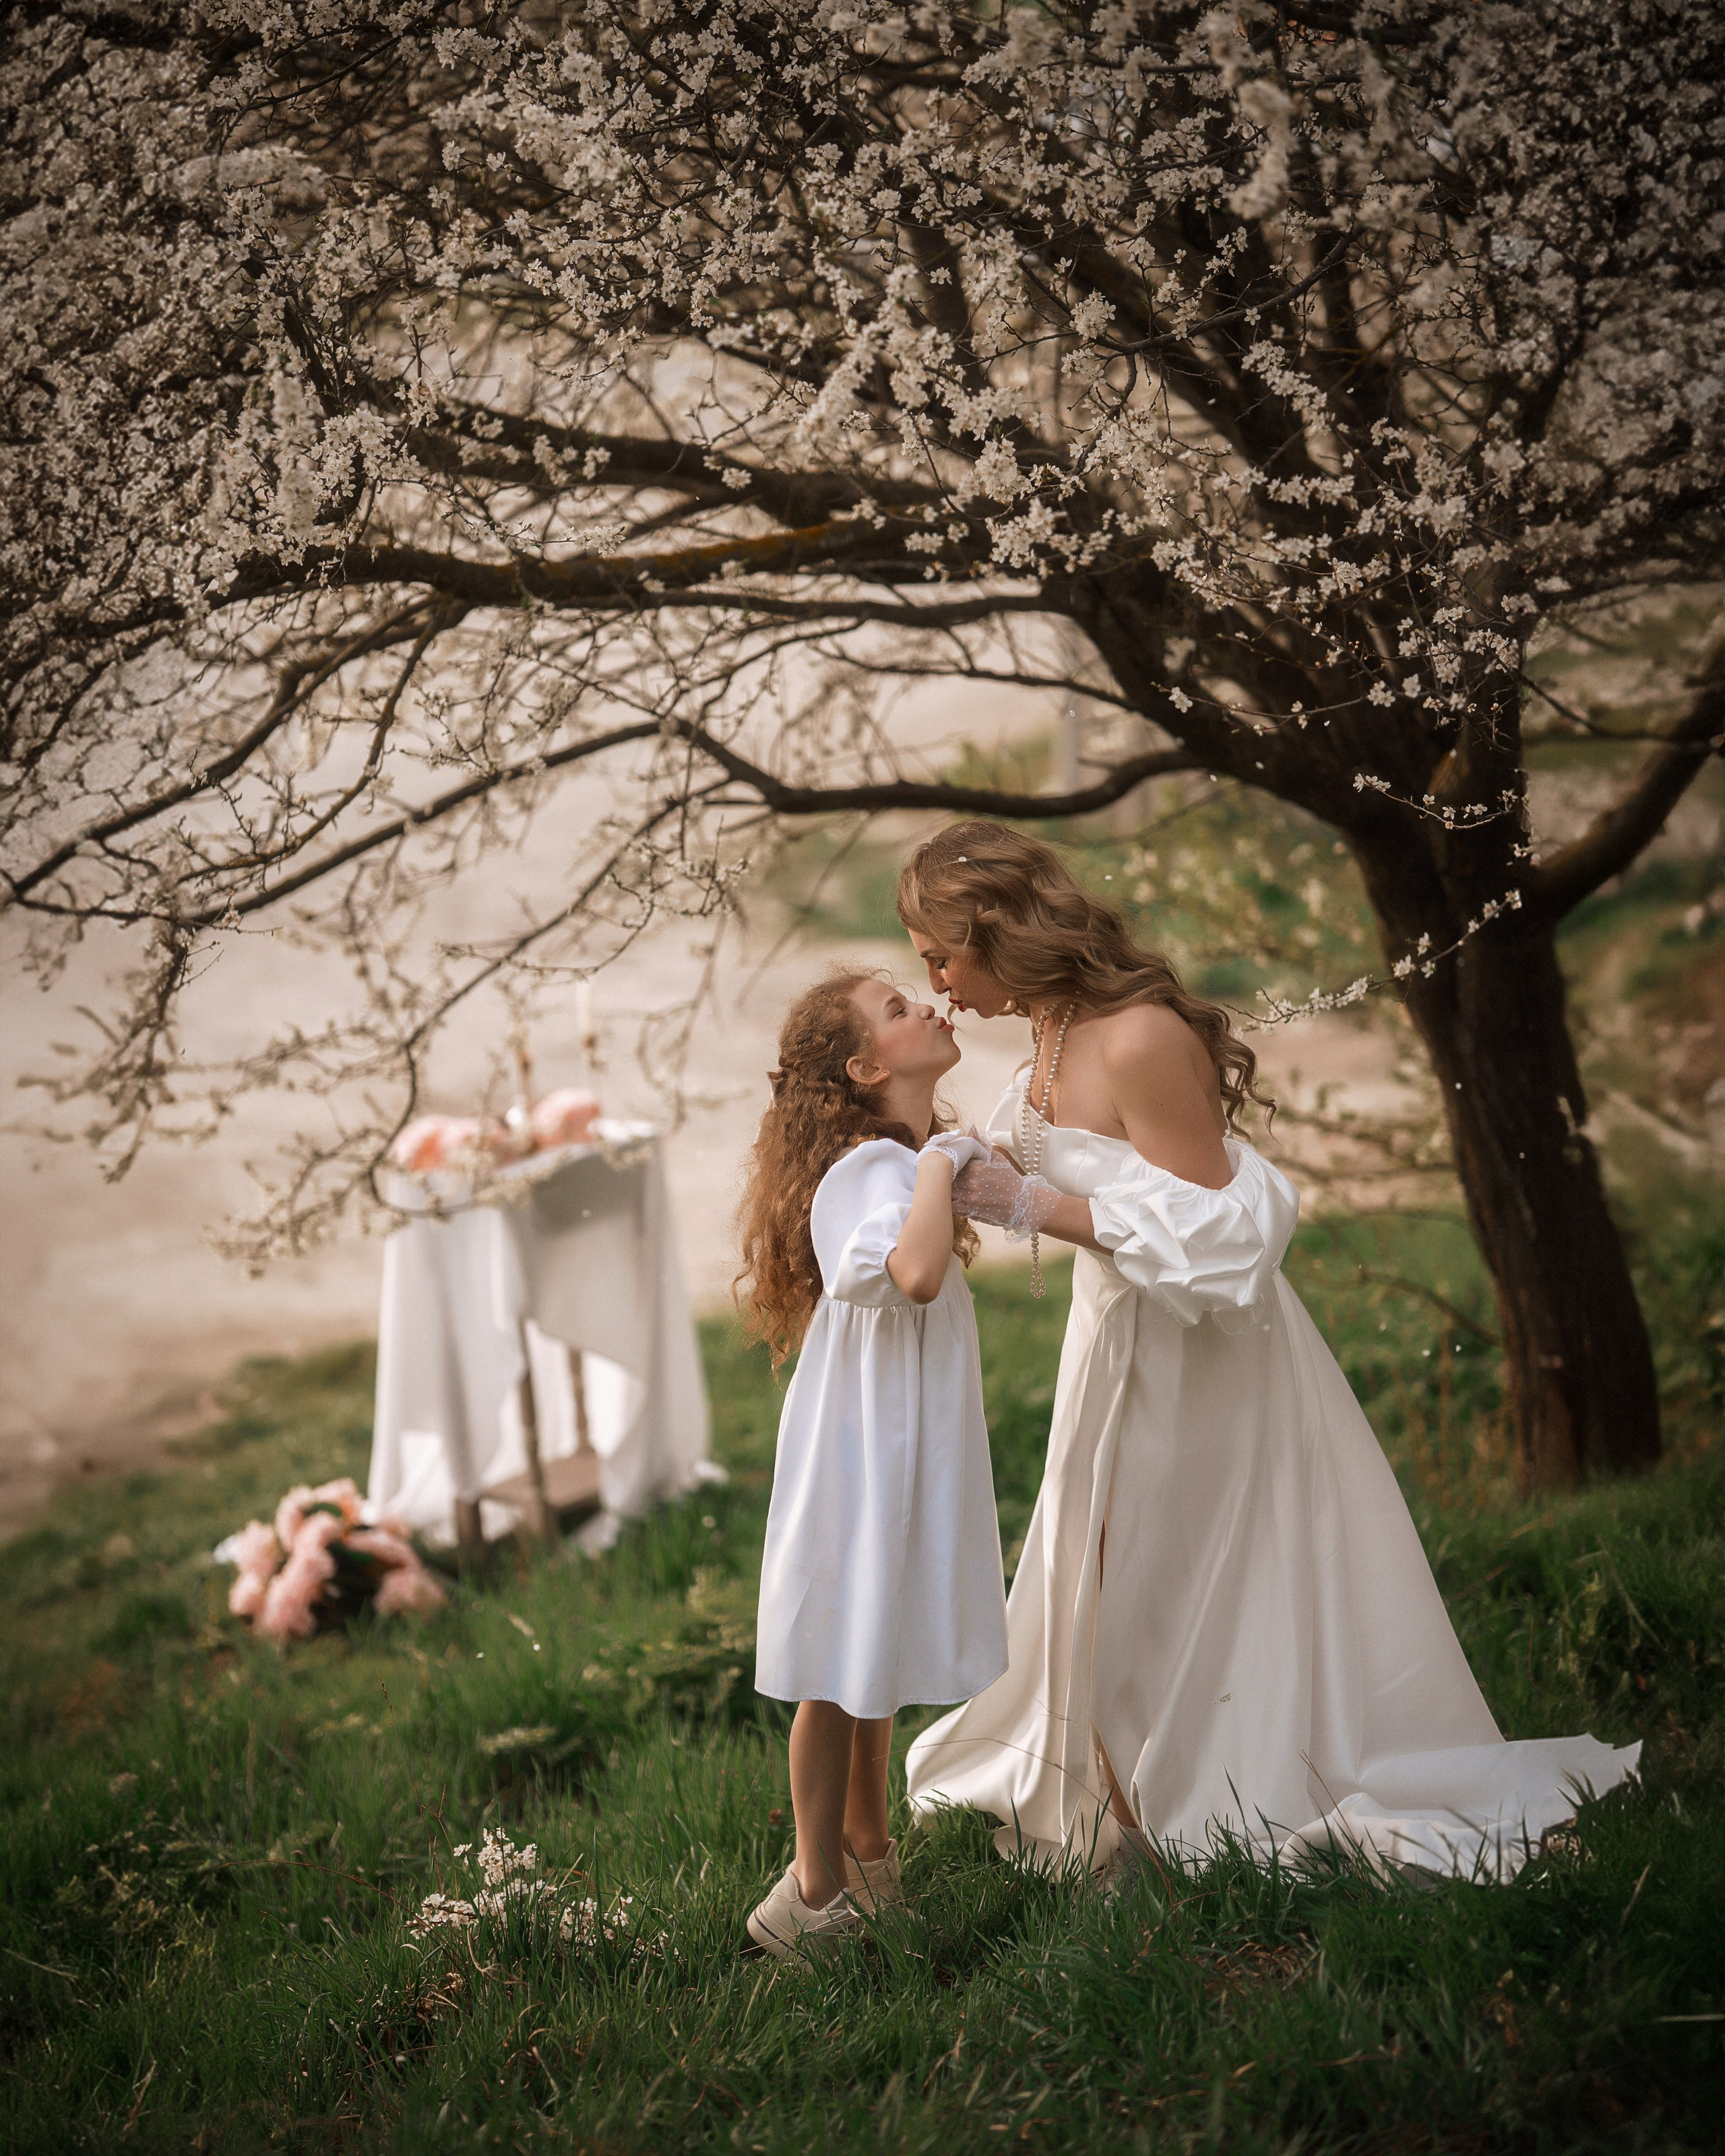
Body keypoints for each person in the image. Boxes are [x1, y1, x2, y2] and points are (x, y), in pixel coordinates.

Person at [898, 821, 1639, 1882]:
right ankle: (1130, 1801)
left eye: (940, 952)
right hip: (1114, 1346)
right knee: (1098, 1575)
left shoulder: (1141, 1037)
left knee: (1172, 1574)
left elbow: (1226, 1235)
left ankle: (1198, 1805)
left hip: (1207, 1361)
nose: (933, 978)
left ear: (998, 931)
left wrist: (1032, 1203)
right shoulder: (1052, 1025)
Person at [734, 968, 1009, 1956]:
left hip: (899, 1437)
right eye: (899, 1009)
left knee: (874, 1652)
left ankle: (869, 1846)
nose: (927, 1007)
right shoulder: (868, 1168)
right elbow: (917, 1276)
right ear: (863, 1067)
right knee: (834, 1662)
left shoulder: (897, 1160)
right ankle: (810, 1895)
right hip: (859, 1449)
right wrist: (941, 1161)